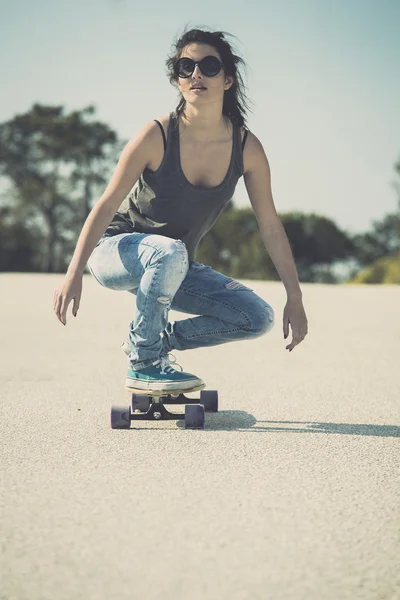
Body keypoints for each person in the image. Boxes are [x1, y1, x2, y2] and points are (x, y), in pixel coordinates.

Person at [53, 27, 308, 392]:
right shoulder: (157, 135)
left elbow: (270, 225)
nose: (196, 74)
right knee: (168, 251)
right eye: (185, 66)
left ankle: (156, 340)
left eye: (208, 65)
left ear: (229, 79)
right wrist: (74, 272)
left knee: (256, 317)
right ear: (177, 79)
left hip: (175, 261)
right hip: (115, 251)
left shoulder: (246, 148)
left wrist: (294, 296)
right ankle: (144, 362)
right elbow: (107, 203)